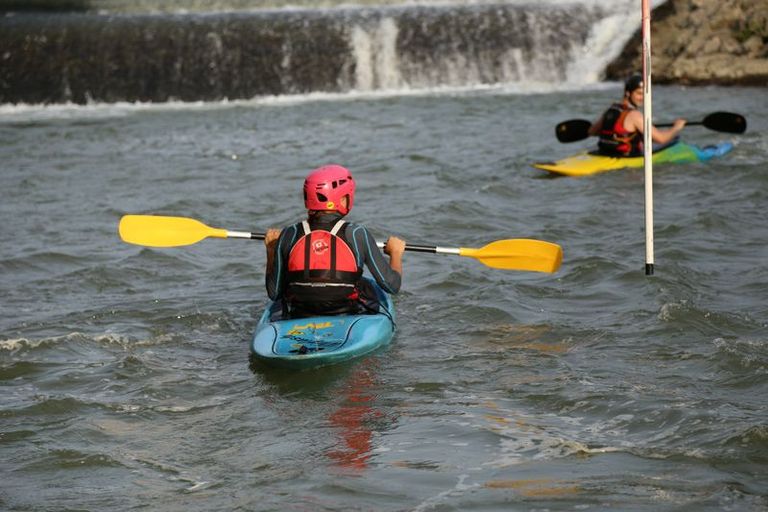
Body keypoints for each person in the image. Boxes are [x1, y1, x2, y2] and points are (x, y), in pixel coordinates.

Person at [264, 164, 405, 319]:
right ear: (342, 198)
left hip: (301, 311)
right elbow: (392, 285)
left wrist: (271, 250)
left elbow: (274, 293)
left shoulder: (288, 234)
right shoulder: (357, 234)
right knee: (367, 284)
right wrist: (395, 253)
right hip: (346, 311)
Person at [588, 73, 686, 157]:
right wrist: (677, 127)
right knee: (674, 140)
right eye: (639, 93)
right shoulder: (635, 116)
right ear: (628, 93)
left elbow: (592, 132)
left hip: (605, 153)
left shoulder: (610, 110)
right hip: (627, 159)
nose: (643, 97)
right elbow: (661, 139)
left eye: (645, 94)